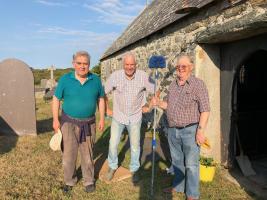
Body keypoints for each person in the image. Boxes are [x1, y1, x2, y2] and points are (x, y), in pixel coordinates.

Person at [152, 54, 210, 200]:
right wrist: (158, 102)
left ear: (191, 67)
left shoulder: (198, 84)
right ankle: (179, 186)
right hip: (173, 130)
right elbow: (168, 105)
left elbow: (205, 109)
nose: (180, 69)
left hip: (190, 130)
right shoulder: (173, 85)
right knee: (177, 161)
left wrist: (201, 131)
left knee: (191, 164)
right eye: (178, 67)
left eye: (184, 66)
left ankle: (191, 194)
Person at [52, 51, 105, 194]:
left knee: (87, 154)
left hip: (89, 124)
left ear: (89, 64)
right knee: (69, 155)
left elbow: (101, 99)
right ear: (73, 64)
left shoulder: (96, 79)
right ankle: (69, 181)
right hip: (68, 123)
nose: (82, 66)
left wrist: (101, 118)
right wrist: (55, 119)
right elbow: (56, 99)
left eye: (85, 63)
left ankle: (88, 181)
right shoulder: (65, 79)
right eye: (79, 63)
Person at [104, 52, 154, 185]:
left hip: (135, 116)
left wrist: (149, 104)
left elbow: (155, 89)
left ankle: (135, 169)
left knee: (135, 146)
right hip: (118, 116)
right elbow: (103, 92)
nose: (129, 67)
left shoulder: (143, 76)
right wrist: (107, 109)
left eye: (132, 64)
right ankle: (112, 166)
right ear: (123, 65)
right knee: (113, 143)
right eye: (127, 64)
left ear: (135, 65)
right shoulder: (115, 76)